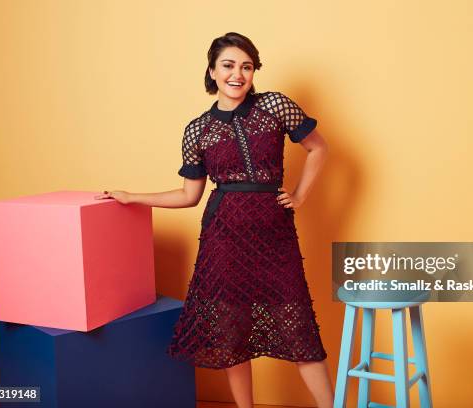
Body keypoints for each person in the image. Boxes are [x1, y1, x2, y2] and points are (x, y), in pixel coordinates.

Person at [95, 32, 333, 408]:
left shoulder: (274, 106)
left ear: (254, 72)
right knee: (231, 334)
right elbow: (189, 195)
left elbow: (318, 147)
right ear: (212, 71)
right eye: (228, 65)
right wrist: (133, 196)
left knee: (299, 328)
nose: (237, 74)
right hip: (223, 238)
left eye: (246, 66)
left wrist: (300, 195)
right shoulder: (198, 130)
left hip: (274, 236)